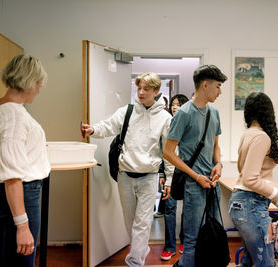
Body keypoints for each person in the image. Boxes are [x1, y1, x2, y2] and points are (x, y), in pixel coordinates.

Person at [81, 72, 174, 267]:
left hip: (149, 177)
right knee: (131, 224)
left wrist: (170, 179)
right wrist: (93, 130)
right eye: (139, 87)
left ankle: (134, 262)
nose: (141, 92)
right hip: (125, 175)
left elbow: (169, 152)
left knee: (142, 224)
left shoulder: (165, 118)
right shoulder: (127, 111)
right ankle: (141, 249)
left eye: (146, 89)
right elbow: (108, 126)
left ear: (156, 91)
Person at [0, 54, 50, 267]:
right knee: (21, 261)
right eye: (39, 84)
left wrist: (30, 149)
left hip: (0, 194)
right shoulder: (15, 116)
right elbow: (13, 176)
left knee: (6, 260)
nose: (40, 89)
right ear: (29, 82)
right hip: (20, 195)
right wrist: (23, 226)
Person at [163, 65, 227, 267]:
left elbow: (216, 145)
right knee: (192, 239)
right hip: (194, 185)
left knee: (213, 232)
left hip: (212, 184)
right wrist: (195, 175)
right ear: (205, 85)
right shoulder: (183, 114)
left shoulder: (214, 112)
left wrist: (218, 164)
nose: (220, 92)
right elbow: (168, 152)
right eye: (217, 86)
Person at [228, 92, 278, 267]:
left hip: (243, 204)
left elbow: (249, 175)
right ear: (269, 112)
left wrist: (277, 201)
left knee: (250, 261)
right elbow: (250, 179)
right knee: (265, 263)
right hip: (251, 205)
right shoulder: (262, 137)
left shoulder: (249, 134)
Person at [160, 94, 189, 261]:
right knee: (169, 210)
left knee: (188, 210)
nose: (174, 107)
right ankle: (169, 246)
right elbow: (160, 150)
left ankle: (184, 241)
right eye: (173, 104)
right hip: (170, 174)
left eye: (178, 104)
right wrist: (162, 174)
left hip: (186, 173)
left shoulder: (188, 124)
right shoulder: (166, 124)